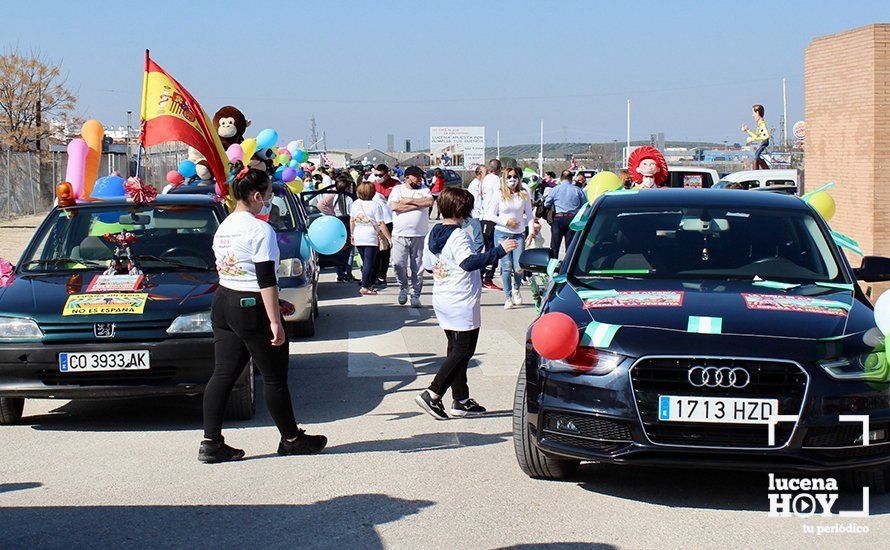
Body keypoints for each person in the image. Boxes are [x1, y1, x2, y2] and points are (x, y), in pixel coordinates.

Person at [201, 166, 326, 463]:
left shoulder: (225, 226)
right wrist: (274, 321)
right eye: (269, 196)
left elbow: (238, 272)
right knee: (274, 376)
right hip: (252, 305)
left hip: (224, 300)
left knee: (223, 373)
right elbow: (265, 279)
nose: (270, 202)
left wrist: (274, 303)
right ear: (257, 196)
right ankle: (291, 438)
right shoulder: (260, 230)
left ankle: (211, 442)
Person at [416, 187, 518, 419]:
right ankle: (433, 393)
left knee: (456, 349)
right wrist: (499, 251)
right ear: (464, 210)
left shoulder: (434, 233)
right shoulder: (459, 235)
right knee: (463, 349)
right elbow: (468, 262)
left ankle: (460, 399)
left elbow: (430, 265)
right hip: (461, 299)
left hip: (444, 297)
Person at [486, 167, 536, 309]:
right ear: (504, 178)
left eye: (514, 176)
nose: (512, 180)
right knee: (506, 267)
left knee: (519, 267)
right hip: (502, 233)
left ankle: (516, 288)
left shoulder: (523, 194)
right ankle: (508, 296)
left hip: (519, 234)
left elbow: (530, 214)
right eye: (509, 177)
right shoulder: (499, 194)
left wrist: (531, 231)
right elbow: (489, 214)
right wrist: (506, 222)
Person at [388, 166, 434, 307]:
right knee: (398, 264)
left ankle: (415, 294)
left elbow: (430, 202)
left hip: (419, 234)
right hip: (400, 234)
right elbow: (395, 206)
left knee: (418, 267)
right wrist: (418, 205)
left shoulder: (424, 190)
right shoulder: (398, 190)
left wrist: (409, 201)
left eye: (420, 176)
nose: (419, 179)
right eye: (416, 176)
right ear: (407, 177)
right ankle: (403, 287)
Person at [351, 181, 392, 296]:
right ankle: (365, 286)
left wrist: (352, 234)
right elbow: (380, 223)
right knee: (369, 262)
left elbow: (352, 220)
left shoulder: (355, 204)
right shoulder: (375, 205)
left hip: (358, 234)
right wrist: (388, 237)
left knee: (365, 261)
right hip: (370, 236)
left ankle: (368, 284)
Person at [544, 170, 587, 257]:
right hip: (573, 219)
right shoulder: (578, 190)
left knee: (554, 246)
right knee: (571, 247)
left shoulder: (555, 189)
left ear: (560, 178)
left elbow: (546, 203)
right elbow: (585, 205)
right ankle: (568, 267)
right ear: (571, 179)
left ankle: (553, 267)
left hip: (558, 219)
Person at [372, 164, 398, 286]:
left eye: (380, 175)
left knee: (386, 249)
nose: (378, 177)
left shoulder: (396, 184)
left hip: (390, 220)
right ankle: (375, 274)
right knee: (377, 249)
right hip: (376, 221)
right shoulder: (373, 184)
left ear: (387, 174)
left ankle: (383, 275)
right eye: (376, 175)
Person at [479, 159, 503, 290]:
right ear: (498, 168)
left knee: (489, 248)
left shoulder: (485, 179)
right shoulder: (495, 180)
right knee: (493, 249)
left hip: (484, 217)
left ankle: (484, 276)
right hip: (490, 218)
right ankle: (487, 278)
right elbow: (499, 197)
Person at [743, 104, 771, 170]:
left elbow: (766, 136)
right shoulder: (759, 124)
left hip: (764, 142)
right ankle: (762, 170)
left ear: (757, 113)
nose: (753, 115)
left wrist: (752, 139)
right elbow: (757, 135)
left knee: (756, 156)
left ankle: (762, 170)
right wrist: (748, 130)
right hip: (763, 142)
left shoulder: (762, 124)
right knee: (756, 156)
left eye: (753, 113)